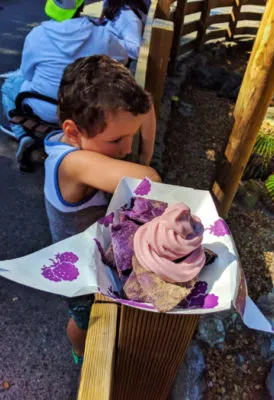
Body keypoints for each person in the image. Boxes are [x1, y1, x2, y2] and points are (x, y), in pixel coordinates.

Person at [44, 54, 161, 364]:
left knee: (106, 312)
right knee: (85, 319)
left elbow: (145, 103)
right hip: (79, 273)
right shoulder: (71, 164)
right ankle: (81, 354)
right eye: (117, 140)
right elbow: (150, 180)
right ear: (71, 131)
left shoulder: (87, 142)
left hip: (101, 258)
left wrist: (144, 151)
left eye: (131, 136)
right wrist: (145, 165)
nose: (126, 148)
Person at [1, 0, 128, 163]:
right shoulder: (102, 36)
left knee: (9, 85)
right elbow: (122, 58)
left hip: (39, 107)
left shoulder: (37, 34)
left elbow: (27, 73)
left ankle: (23, 135)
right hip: (80, 110)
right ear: (82, 6)